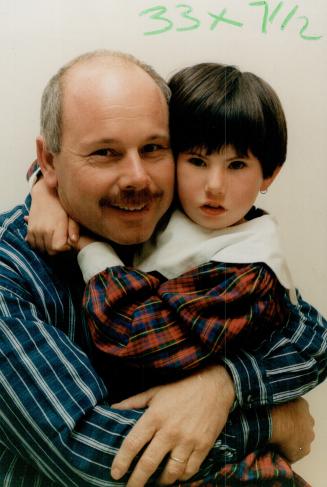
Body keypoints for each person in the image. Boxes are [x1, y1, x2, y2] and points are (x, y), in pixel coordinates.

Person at [0, 50, 324, 487]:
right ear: (51, 159)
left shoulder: (175, 214)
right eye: (105, 153)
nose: (138, 177)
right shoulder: (10, 276)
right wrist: (271, 423)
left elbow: (308, 332)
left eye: (153, 148)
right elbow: (95, 459)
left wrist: (224, 383)